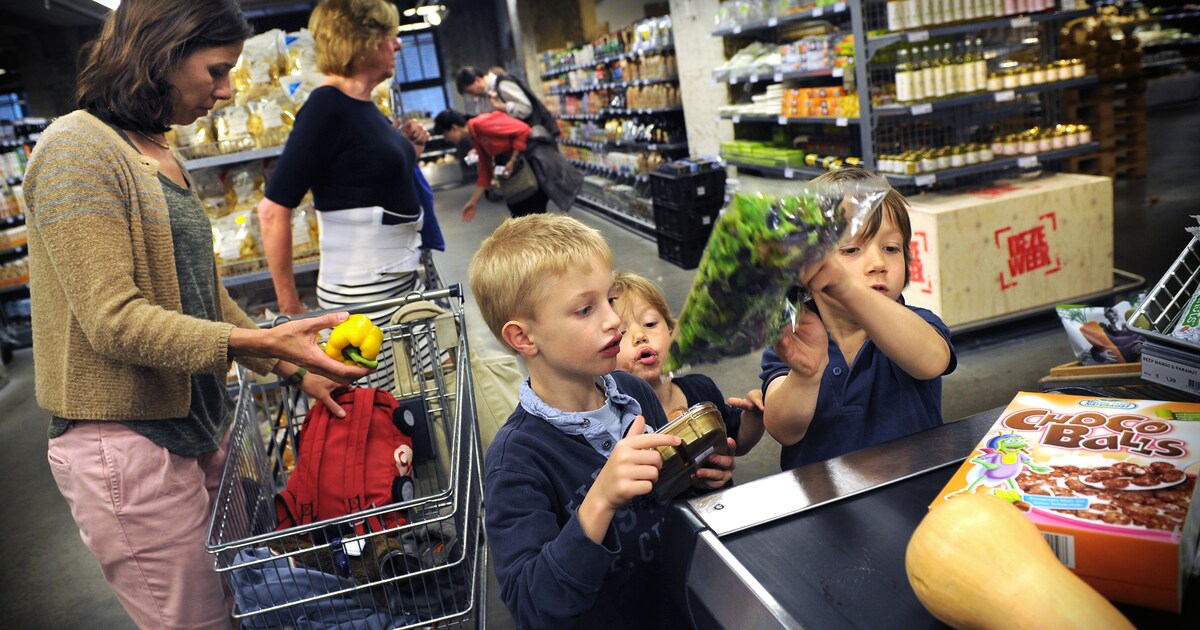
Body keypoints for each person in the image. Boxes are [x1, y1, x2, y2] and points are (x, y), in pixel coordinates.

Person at [22, 1, 372, 627]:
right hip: (126, 441)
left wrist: (293, 368)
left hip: (199, 428)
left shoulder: (157, 150)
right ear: (161, 51)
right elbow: (114, 320)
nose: (226, 91)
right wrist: (256, 345)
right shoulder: (75, 149)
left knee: (244, 606)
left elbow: (203, 296)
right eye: (215, 71)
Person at [469, 214, 736, 629]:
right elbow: (532, 605)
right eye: (585, 309)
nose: (613, 320)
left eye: (609, 299)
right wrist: (601, 500)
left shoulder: (633, 392)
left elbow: (661, 498)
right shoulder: (517, 459)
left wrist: (693, 476)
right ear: (523, 338)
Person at [257, 0, 431, 386]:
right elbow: (272, 210)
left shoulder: (362, 105)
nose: (397, 45)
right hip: (364, 294)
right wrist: (290, 308)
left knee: (413, 399)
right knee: (385, 407)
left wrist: (408, 150)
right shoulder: (326, 106)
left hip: (398, 282)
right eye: (389, 36)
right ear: (363, 42)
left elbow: (365, 178)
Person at [760, 167, 957, 471]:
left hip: (914, 494)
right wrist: (806, 376)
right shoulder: (793, 338)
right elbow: (783, 430)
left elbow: (931, 360)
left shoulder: (916, 324)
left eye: (891, 248)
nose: (878, 263)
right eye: (851, 249)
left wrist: (847, 287)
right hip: (823, 505)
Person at [612, 271, 765, 457]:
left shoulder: (701, 390)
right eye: (621, 332)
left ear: (672, 332)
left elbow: (737, 442)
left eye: (650, 324)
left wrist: (754, 416)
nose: (640, 336)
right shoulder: (616, 422)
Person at [433, 108, 581, 222]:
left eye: (446, 135)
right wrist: (473, 201)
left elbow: (523, 130)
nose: (448, 139)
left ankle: (547, 259)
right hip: (519, 179)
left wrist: (513, 159)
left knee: (533, 221)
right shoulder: (475, 136)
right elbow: (485, 170)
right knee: (521, 220)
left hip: (530, 172)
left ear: (453, 128)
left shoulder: (482, 124)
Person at [455, 64, 559, 136]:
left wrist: (500, 106)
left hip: (536, 138)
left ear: (477, 80)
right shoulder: (484, 96)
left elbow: (526, 109)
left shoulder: (503, 84)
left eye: (471, 91)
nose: (472, 96)